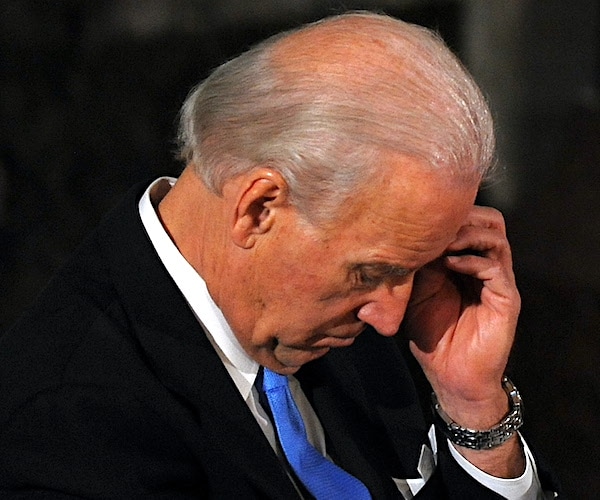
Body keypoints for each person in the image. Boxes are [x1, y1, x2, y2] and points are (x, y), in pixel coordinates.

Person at [0, 11, 560, 499]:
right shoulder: (65, 425)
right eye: (371, 272)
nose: (391, 318)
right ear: (259, 208)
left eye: (415, 268)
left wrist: (473, 408)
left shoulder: (367, 321)